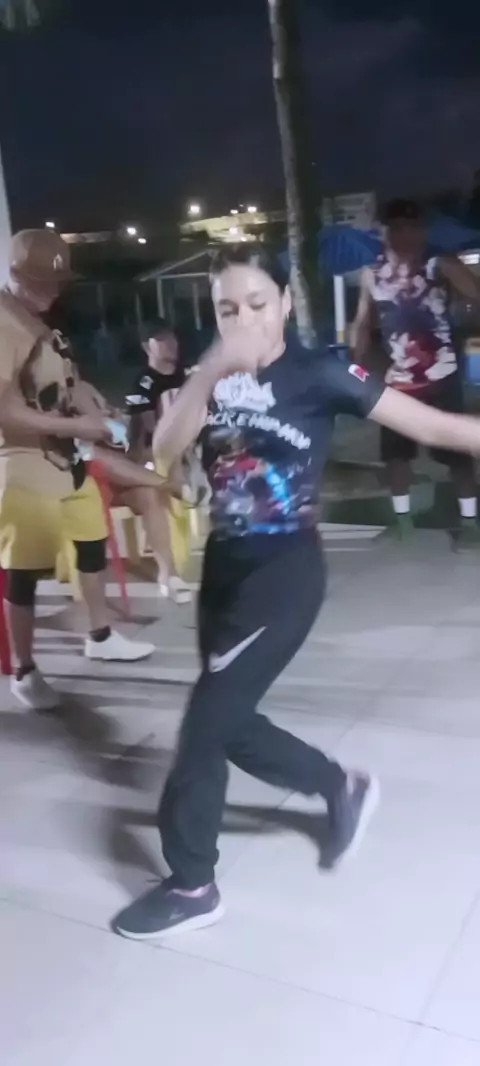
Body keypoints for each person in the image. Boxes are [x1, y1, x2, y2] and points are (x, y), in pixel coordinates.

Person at [113, 243, 480, 940]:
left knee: (203, 727)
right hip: (225, 567)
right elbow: (163, 450)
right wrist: (209, 372)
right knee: (228, 718)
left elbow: (431, 425)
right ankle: (339, 785)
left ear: (284, 302)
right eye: (227, 308)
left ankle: (192, 885)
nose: (244, 319)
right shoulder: (208, 376)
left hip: (284, 573)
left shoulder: (321, 372)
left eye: (257, 303)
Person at [0, 229, 156, 712]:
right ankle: (24, 670)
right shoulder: (4, 323)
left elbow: (70, 382)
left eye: (56, 282)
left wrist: (97, 409)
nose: (50, 290)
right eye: (38, 281)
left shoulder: (40, 324)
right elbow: (6, 413)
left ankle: (100, 635)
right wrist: (80, 426)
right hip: (22, 464)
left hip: (66, 458)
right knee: (23, 571)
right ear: (14, 274)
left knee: (92, 544)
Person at [352, 197, 480, 543]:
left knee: (457, 453)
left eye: (412, 227)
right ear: (384, 232)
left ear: (422, 231)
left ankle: (470, 525)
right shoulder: (372, 273)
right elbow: (362, 323)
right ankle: (402, 522)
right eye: (396, 228)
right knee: (395, 454)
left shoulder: (438, 264)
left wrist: (455, 274)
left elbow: (475, 293)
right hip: (397, 381)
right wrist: (356, 364)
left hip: (442, 376)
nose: (404, 235)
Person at [124, 318, 193, 603]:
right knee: (161, 469)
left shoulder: (187, 378)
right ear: (146, 346)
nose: (170, 344)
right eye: (161, 339)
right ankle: (167, 564)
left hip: (190, 452)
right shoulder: (143, 384)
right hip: (154, 456)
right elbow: (148, 433)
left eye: (172, 337)